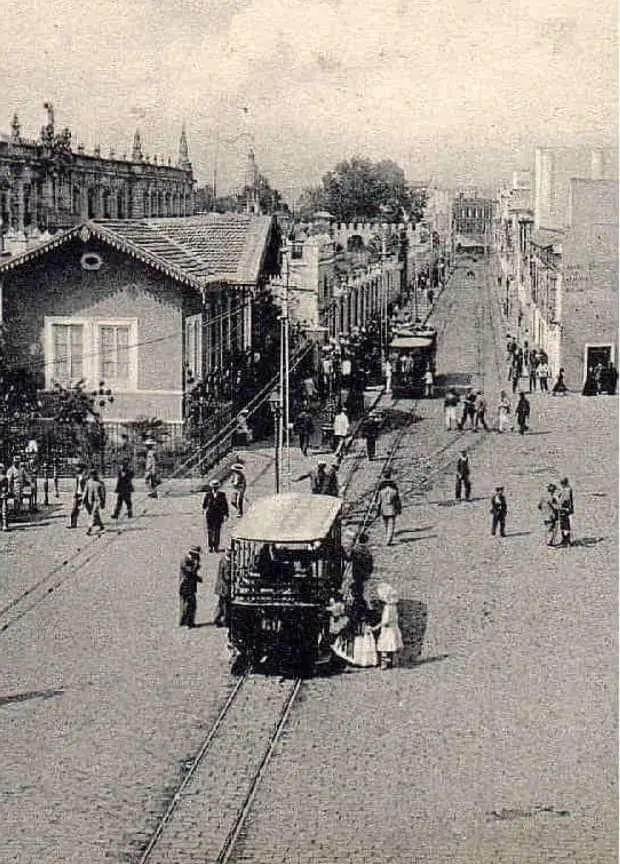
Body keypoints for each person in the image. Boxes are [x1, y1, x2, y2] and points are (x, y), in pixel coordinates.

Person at [372, 583, 403, 670]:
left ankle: (384, 664)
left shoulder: (387, 608)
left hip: (387, 629)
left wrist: (376, 627)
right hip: (394, 628)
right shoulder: (394, 607)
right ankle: (391, 662)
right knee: (391, 645)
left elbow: (385, 621)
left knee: (384, 647)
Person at [202, 478, 229, 552]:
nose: (215, 488)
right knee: (210, 531)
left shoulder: (222, 495)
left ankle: (216, 546)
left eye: (216, 486)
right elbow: (204, 505)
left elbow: (225, 505)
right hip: (210, 514)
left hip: (218, 515)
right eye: (214, 486)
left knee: (217, 531)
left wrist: (226, 514)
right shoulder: (208, 495)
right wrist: (204, 510)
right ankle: (210, 546)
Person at [377, 469, 401, 545]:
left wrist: (377, 509)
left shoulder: (381, 487)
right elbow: (397, 499)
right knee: (391, 524)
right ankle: (388, 539)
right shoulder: (394, 486)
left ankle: (388, 537)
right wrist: (399, 508)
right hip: (392, 507)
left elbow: (378, 500)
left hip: (383, 508)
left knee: (386, 523)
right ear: (390, 475)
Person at [179, 547, 202, 627]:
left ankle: (184, 621)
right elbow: (190, 572)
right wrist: (196, 565)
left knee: (188, 604)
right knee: (190, 605)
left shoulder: (190, 560)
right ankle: (188, 622)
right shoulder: (185, 561)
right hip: (186, 586)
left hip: (190, 586)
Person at [84, 468, 106, 536]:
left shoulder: (100, 483)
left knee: (93, 514)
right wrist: (83, 500)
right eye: (91, 475)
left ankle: (89, 529)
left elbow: (103, 493)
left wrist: (103, 502)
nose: (92, 476)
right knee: (95, 514)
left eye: (94, 474)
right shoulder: (88, 482)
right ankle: (101, 526)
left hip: (98, 501)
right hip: (91, 501)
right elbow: (85, 491)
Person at [214, 548, 232, 626]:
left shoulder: (229, 561)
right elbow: (224, 576)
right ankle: (223, 620)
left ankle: (219, 619)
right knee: (224, 604)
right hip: (223, 587)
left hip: (224, 586)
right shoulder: (224, 561)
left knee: (222, 603)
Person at [69, 463, 88, 529]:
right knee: (74, 510)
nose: (76, 469)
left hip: (84, 494)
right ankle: (73, 524)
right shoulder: (78, 476)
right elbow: (77, 486)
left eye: (78, 468)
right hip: (78, 494)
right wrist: (75, 493)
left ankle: (97, 522)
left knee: (90, 509)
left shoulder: (86, 477)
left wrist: (84, 495)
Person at [557, 477, 574, 546]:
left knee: (565, 525)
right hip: (564, 509)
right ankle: (565, 539)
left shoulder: (567, 490)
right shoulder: (565, 489)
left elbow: (566, 499)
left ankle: (566, 540)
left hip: (565, 509)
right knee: (563, 525)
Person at [0, 463, 9, 531]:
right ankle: (4, 525)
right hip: (2, 495)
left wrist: (4, 491)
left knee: (4, 511)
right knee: (4, 511)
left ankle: (5, 524)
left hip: (3, 496)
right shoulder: (4, 477)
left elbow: (5, 488)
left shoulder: (4, 477)